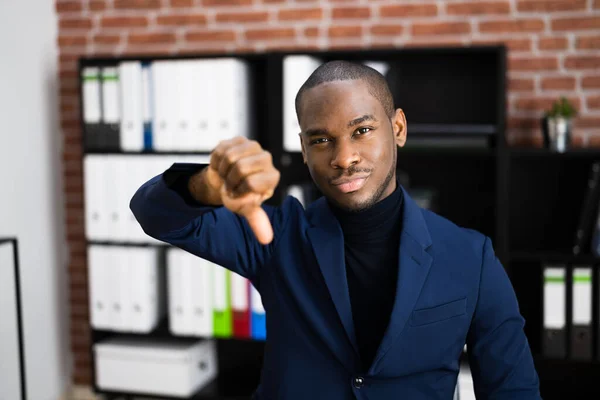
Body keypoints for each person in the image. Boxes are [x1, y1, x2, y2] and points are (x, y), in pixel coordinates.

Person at [130, 60, 541, 399]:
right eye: (322, 140)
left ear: (397, 129)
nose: (344, 158)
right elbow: (155, 215)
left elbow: (513, 389)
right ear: (304, 149)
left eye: (362, 131)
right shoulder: (276, 235)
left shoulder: (470, 256)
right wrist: (206, 186)